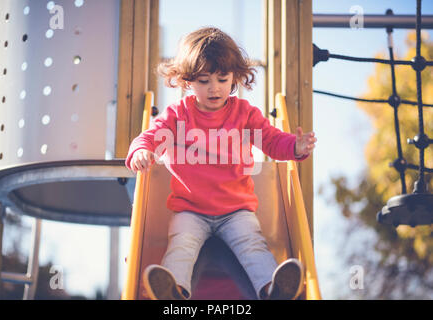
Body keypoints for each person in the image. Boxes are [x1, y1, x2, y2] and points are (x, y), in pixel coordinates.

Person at [125, 27, 317, 300]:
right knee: (181, 246)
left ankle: (273, 290)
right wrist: (142, 151)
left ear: (235, 78)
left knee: (253, 246)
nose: (214, 87)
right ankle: (173, 292)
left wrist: (295, 147)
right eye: (203, 81)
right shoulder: (178, 115)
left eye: (222, 78)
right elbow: (147, 137)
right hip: (190, 210)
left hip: (235, 210)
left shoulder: (244, 114)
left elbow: (272, 141)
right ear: (187, 81)